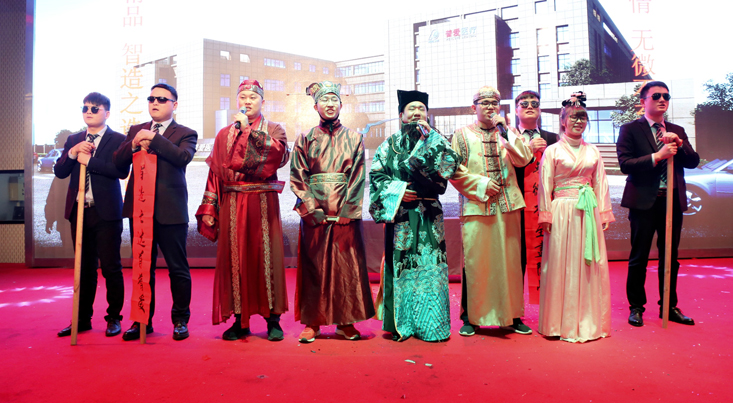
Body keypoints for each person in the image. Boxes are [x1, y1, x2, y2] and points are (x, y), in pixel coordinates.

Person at [196, 79, 289, 342]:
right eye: (243, 97)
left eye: (253, 97)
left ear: (263, 101)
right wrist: (210, 206)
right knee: (235, 260)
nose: (247, 101)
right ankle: (240, 319)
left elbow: (275, 159)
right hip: (233, 203)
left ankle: (273, 320)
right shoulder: (224, 134)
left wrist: (248, 130)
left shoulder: (274, 129)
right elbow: (216, 173)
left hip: (262, 202)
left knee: (266, 257)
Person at [369, 89, 461, 342]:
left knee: (432, 266)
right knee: (403, 265)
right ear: (401, 115)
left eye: (422, 108)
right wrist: (399, 192)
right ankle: (403, 324)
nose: (417, 112)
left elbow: (450, 167)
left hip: (430, 214)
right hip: (401, 215)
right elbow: (376, 177)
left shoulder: (437, 140)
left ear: (428, 115)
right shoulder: (389, 145)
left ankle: (433, 326)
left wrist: (433, 140)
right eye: (412, 108)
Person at [289, 81, 375, 343]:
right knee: (314, 266)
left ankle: (346, 321)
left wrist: (349, 209)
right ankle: (313, 322)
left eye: (334, 100)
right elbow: (298, 177)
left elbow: (358, 177)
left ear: (341, 104)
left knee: (346, 266)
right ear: (315, 106)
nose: (329, 104)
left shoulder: (355, 138)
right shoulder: (304, 138)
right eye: (324, 100)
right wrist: (311, 209)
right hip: (315, 212)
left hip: (344, 211)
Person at [113, 83, 198, 341]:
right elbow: (118, 163)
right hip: (140, 210)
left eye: (162, 99)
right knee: (142, 267)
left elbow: (182, 158)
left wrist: (154, 139)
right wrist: (133, 144)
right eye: (151, 99)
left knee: (177, 268)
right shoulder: (136, 130)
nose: (155, 103)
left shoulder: (186, 133)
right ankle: (142, 321)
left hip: (171, 212)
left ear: (175, 104)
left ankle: (180, 320)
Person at [449, 86, 533, 337]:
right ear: (473, 107)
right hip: (477, 205)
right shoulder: (461, 135)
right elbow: (453, 170)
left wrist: (506, 132)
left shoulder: (509, 132)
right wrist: (481, 184)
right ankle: (471, 317)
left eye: (494, 103)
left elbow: (524, 159)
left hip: (508, 205)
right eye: (484, 103)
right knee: (476, 262)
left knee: (511, 262)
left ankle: (513, 315)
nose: (489, 108)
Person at [617, 81, 700, 327]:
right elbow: (625, 164)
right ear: (643, 101)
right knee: (639, 257)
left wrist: (680, 144)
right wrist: (657, 156)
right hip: (643, 202)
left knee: (670, 257)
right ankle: (636, 307)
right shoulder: (630, 129)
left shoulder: (676, 130)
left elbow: (693, 162)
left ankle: (669, 306)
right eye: (656, 96)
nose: (662, 99)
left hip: (672, 201)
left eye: (666, 96)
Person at [537, 93, 614, 342]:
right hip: (561, 210)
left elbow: (600, 182)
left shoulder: (593, 151)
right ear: (563, 121)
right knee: (560, 261)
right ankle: (558, 322)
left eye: (582, 117)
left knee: (588, 263)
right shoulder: (552, 151)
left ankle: (588, 320)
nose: (579, 121)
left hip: (588, 211)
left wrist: (604, 211)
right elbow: (545, 183)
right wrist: (546, 214)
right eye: (573, 117)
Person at [54, 92, 129, 337]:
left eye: (94, 108)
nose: (89, 111)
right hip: (79, 211)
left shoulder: (118, 139)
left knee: (110, 267)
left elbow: (120, 171)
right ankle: (82, 319)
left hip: (106, 213)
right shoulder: (74, 139)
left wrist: (90, 161)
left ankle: (114, 318)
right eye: (85, 108)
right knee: (84, 268)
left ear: (107, 113)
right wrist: (73, 152)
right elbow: (60, 171)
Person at [513, 90, 558, 303]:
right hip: (518, 205)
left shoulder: (553, 138)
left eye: (534, 103)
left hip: (547, 204)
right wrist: (528, 150)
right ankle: (516, 309)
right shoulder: (509, 137)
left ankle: (551, 305)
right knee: (517, 257)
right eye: (524, 104)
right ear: (516, 110)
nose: (530, 106)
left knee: (551, 253)